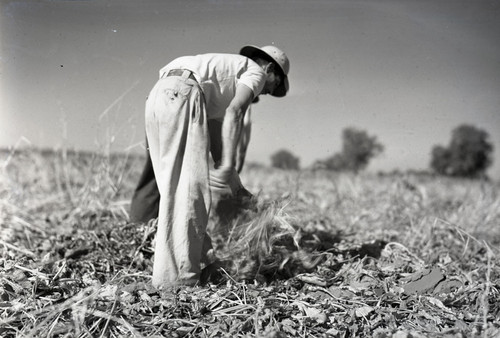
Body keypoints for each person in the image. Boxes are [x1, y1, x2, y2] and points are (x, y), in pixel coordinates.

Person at [140, 45, 290, 288]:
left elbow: (217, 141)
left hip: (159, 95)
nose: (267, 92)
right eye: (275, 86)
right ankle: (178, 283)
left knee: (174, 192)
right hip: (184, 93)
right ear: (270, 68)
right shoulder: (256, 72)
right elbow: (235, 112)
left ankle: (198, 263)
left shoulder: (218, 85)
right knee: (190, 194)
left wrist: (237, 188)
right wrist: (230, 163)